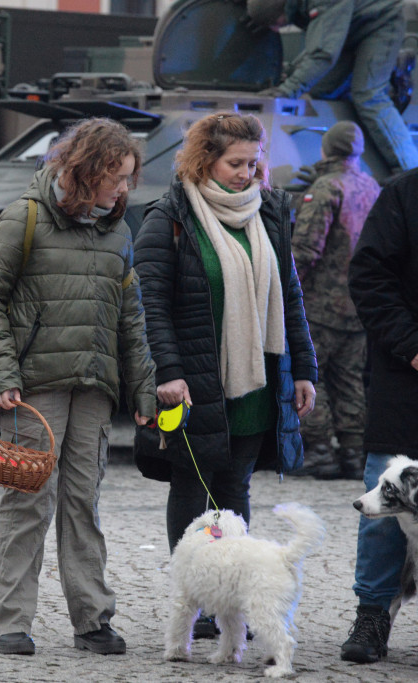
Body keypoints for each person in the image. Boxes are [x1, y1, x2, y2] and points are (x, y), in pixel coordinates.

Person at [0, 118, 155, 657]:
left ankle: (92, 618)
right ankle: (8, 623)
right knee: (28, 502)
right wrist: (2, 375)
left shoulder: (119, 232)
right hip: (33, 389)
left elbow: (132, 318)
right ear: (86, 170)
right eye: (115, 177)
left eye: (128, 178)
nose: (123, 188)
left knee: (84, 502)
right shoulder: (23, 218)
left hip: (93, 388)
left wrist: (143, 388)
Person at [134, 112, 317, 638]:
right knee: (194, 486)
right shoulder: (169, 216)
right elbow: (150, 305)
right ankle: (196, 601)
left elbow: (292, 297)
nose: (247, 173)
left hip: (257, 380)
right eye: (236, 163)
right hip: (194, 381)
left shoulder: (271, 212)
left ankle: (231, 603)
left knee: (236, 485)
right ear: (204, 160)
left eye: (254, 163)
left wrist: (303, 368)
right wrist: (167, 371)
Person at [338, 167, 418, 663]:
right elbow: (368, 277)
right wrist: (411, 347)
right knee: (384, 501)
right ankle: (372, 616)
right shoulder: (405, 194)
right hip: (406, 380)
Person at [290, 121, 380, 480]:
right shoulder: (372, 186)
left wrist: (287, 291)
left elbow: (306, 250)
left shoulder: (325, 188)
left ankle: (322, 451)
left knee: (313, 377)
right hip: (360, 306)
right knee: (351, 381)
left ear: (326, 150)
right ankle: (355, 456)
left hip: (321, 306)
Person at [247, 0, 418, 173]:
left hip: (380, 23)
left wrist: (286, 91)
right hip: (348, 28)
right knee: (321, 90)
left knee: (368, 95)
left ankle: (409, 172)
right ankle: (341, 167)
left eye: (276, 23)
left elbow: (323, 53)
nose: (275, 30)